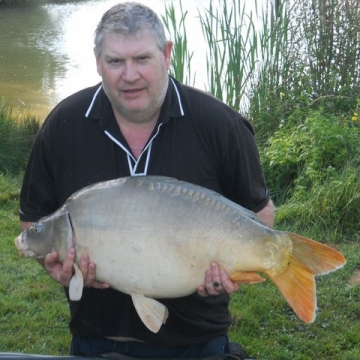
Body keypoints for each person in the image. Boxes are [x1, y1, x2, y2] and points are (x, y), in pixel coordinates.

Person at [19, 2, 275, 359]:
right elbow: (35, 221)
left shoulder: (220, 125)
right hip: (94, 337)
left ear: (167, 54)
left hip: (197, 341)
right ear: (97, 62)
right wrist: (56, 266)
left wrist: (235, 265)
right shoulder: (63, 126)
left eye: (142, 59)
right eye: (115, 62)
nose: (130, 75)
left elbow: (259, 213)